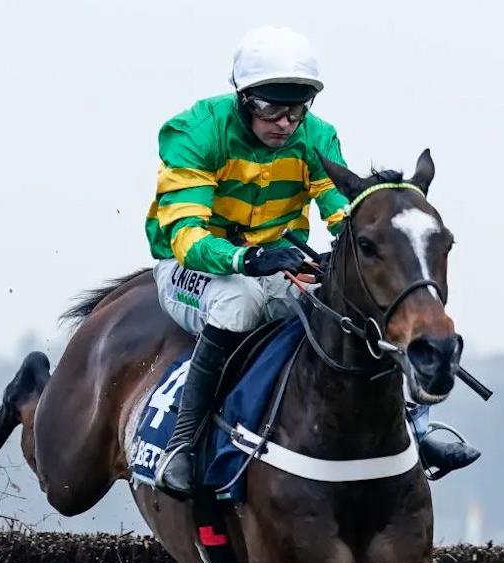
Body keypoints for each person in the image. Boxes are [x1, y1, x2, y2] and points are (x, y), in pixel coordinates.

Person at [145, 27, 480, 498]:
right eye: (270, 107)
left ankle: (415, 426)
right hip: (195, 269)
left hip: (280, 266)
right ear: (242, 98)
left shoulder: (317, 139)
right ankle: (181, 445)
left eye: (296, 108)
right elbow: (187, 237)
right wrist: (248, 256)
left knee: (353, 308)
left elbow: (342, 214)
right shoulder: (194, 133)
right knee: (238, 304)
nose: (285, 122)